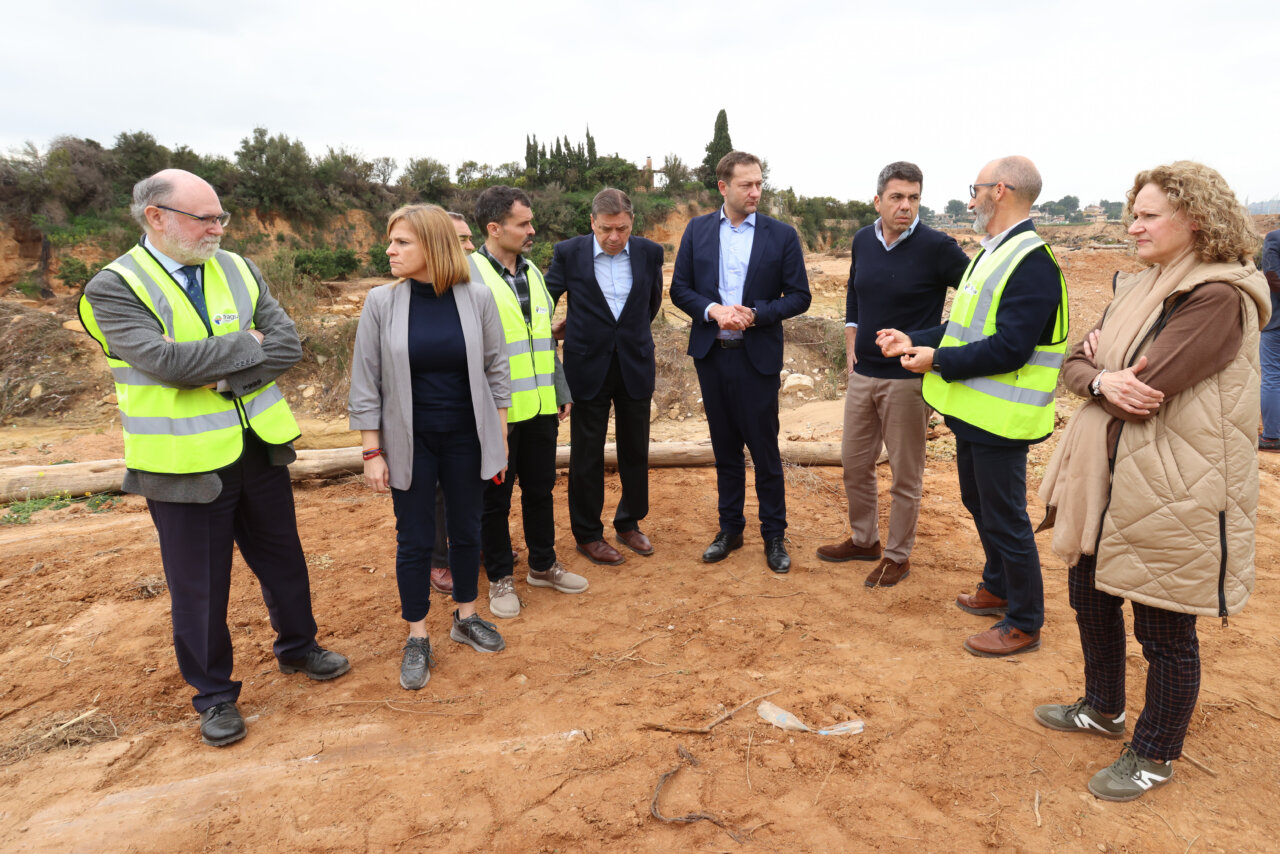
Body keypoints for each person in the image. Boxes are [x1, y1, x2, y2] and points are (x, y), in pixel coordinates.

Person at [79, 169, 349, 748]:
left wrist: (222, 371)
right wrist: (244, 344)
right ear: (157, 217)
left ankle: (299, 649)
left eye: (220, 216)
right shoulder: (113, 286)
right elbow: (165, 363)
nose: (219, 228)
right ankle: (214, 697)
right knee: (200, 588)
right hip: (184, 466)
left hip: (257, 445)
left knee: (284, 562)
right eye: (206, 218)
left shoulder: (237, 266)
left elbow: (287, 343)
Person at [1034, 161, 1267, 801]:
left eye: (1146, 215)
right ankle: (1102, 707)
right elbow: (1078, 366)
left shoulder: (1216, 295)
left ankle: (1155, 753)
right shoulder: (1146, 284)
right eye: (1132, 213)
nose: (1131, 225)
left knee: (1164, 632)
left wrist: (1100, 372)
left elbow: (1148, 385)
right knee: (1092, 597)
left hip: (1176, 486)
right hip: (1111, 476)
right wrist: (1102, 374)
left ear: (1193, 220)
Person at [877, 155, 1068, 655]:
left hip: (1003, 420)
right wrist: (913, 338)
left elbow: (1010, 348)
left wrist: (936, 359)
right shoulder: (990, 254)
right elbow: (962, 328)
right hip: (974, 412)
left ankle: (1024, 620)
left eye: (976, 189)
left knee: (1005, 517)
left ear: (999, 191)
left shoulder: (1033, 262)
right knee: (978, 502)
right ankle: (998, 586)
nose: (970, 199)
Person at [349, 204, 511, 690]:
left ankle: (466, 616)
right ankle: (417, 635)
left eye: (401, 242)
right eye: (391, 241)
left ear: (434, 246)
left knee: (466, 531)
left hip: (467, 436)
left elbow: (496, 372)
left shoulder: (477, 298)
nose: (390, 250)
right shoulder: (381, 302)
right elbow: (366, 382)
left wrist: (498, 439)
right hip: (409, 442)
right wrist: (371, 452)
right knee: (415, 539)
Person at [816, 161, 969, 587]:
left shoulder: (939, 247)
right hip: (864, 374)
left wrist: (922, 340)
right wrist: (851, 343)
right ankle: (864, 539)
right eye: (898, 197)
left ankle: (898, 555)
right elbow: (854, 292)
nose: (906, 206)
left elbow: (978, 307)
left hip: (908, 380)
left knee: (906, 473)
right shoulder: (863, 240)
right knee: (855, 462)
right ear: (878, 200)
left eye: (914, 198)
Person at [670, 150, 812, 574]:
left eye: (759, 183)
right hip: (712, 356)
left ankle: (774, 535)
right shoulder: (696, 231)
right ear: (723, 187)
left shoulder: (781, 235)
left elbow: (800, 296)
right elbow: (680, 289)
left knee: (765, 451)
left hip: (757, 359)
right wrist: (713, 310)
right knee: (725, 450)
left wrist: (756, 314)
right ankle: (730, 529)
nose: (756, 192)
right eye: (747, 184)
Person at [471, 186, 585, 617]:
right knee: (493, 502)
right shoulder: (469, 276)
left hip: (539, 410)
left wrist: (559, 389)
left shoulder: (534, 273)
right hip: (497, 417)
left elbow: (541, 340)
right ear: (495, 228)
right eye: (523, 223)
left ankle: (542, 565)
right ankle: (500, 579)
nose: (532, 230)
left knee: (540, 491)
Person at [545, 188, 665, 565]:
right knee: (586, 454)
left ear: (632, 223)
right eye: (606, 229)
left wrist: (625, 335)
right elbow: (544, 298)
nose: (614, 237)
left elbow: (651, 303)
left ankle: (629, 523)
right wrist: (557, 330)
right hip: (586, 366)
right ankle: (587, 533)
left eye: (623, 229)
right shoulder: (568, 253)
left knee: (635, 448)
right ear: (592, 223)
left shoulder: (649, 253)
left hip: (634, 362)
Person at [426, 211, 481, 598]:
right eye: (461, 240)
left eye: (469, 238)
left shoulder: (471, 287)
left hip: (470, 408)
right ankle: (438, 560)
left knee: (469, 483)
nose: (471, 246)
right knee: (437, 490)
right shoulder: (411, 297)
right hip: (430, 417)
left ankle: (467, 548)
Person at [1260, 229, 1280, 451]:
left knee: (1273, 376)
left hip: (1277, 323)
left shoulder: (1275, 238)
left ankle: (1272, 437)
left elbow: (1273, 278)